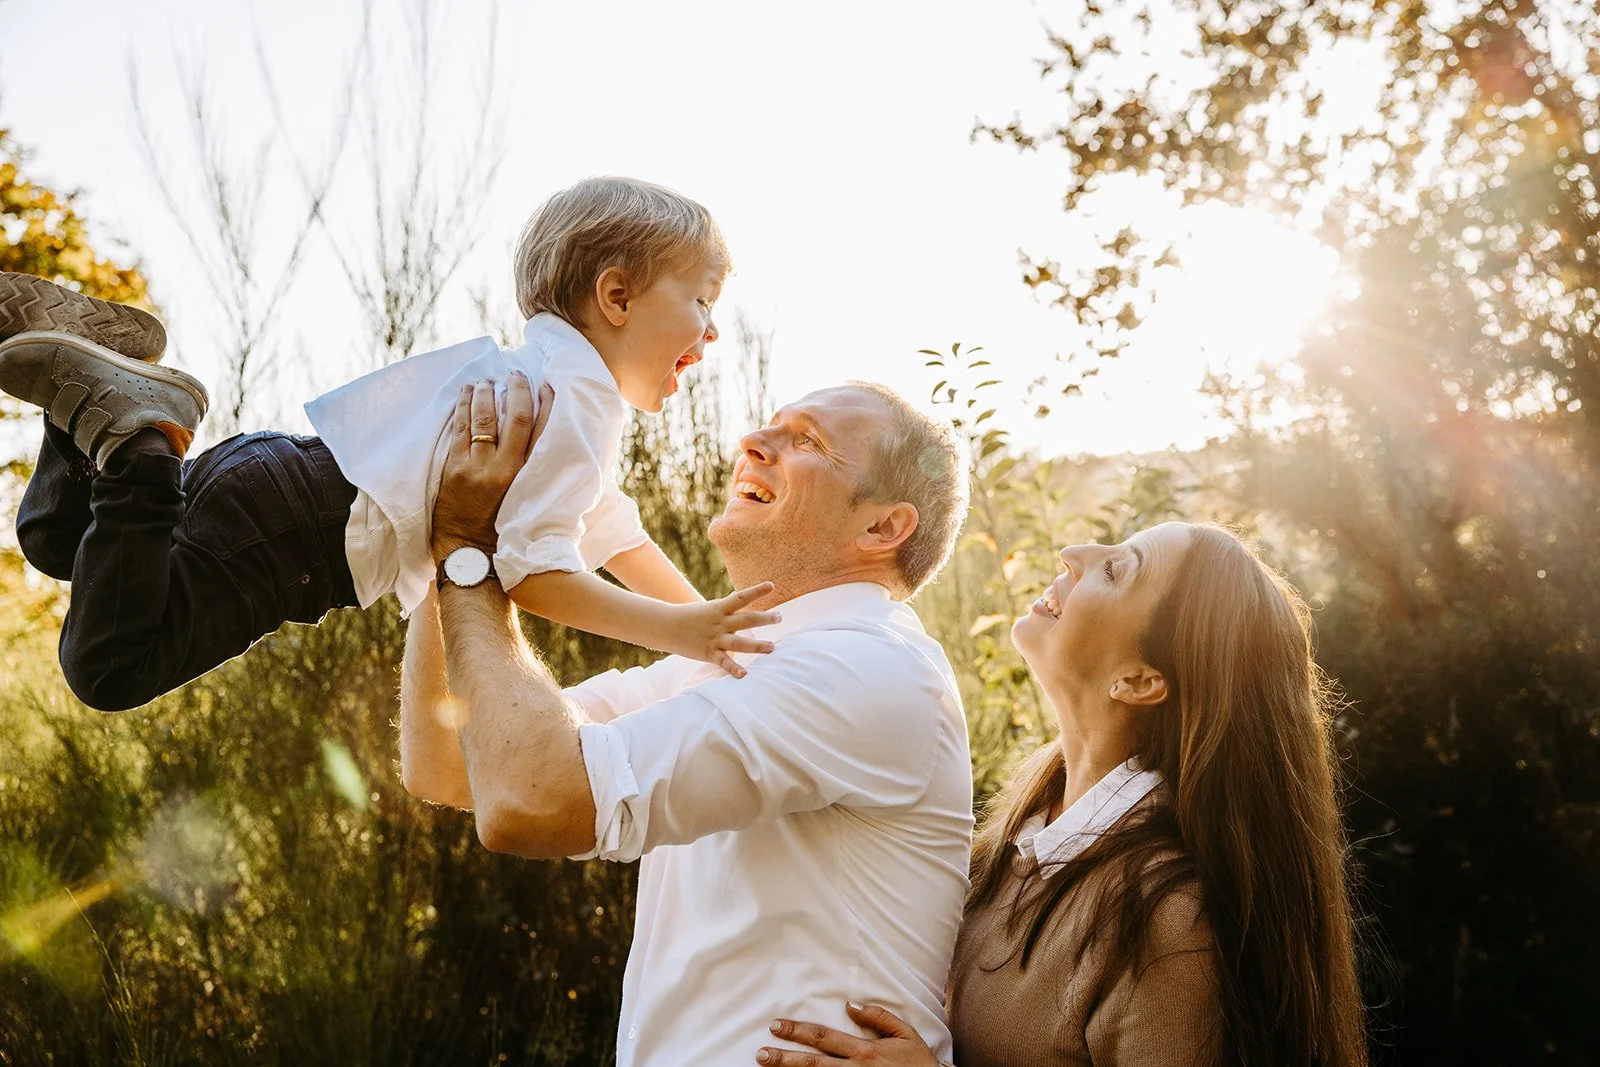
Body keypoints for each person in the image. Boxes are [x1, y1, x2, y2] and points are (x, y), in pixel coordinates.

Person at [0, 177, 774, 713]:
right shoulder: (582, 407)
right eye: (703, 300)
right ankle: (140, 440)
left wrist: (714, 629)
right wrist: (683, 633)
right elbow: (538, 572)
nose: (712, 328)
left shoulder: (543, 373)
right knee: (109, 666)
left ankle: (96, 402)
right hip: (299, 537)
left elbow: (613, 531)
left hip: (280, 474)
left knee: (61, 542)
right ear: (616, 296)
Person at [404, 371, 974, 1067]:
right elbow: (449, 764)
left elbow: (530, 796)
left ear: (883, 525)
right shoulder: (734, 662)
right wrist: (446, 550)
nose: (752, 441)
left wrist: (469, 552)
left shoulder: (868, 668)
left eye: (805, 441)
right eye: (770, 424)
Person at [755, 522, 1367, 1066]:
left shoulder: (1170, 923)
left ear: (1140, 680)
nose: (1074, 552)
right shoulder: (1020, 837)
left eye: (1116, 568)